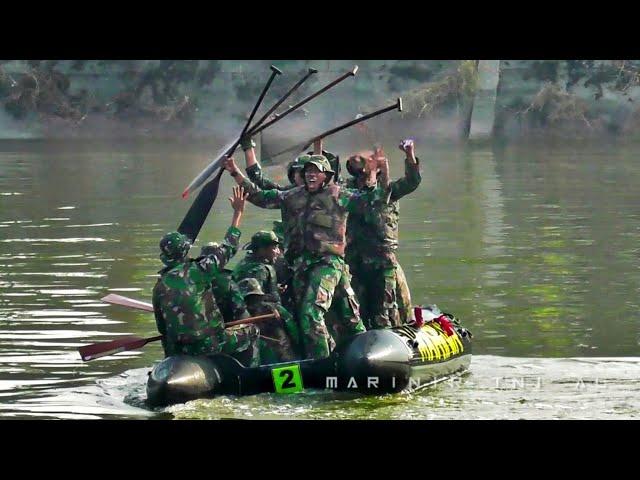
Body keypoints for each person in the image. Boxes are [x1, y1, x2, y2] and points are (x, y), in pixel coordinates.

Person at [224, 152, 386, 360]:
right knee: (347, 316)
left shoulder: (339, 195)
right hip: (301, 267)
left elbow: (372, 201)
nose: (310, 175)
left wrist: (374, 173)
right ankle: (347, 354)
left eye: (315, 172)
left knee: (311, 314)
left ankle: (323, 365)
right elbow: (259, 197)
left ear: (326, 175)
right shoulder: (292, 196)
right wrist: (234, 172)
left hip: (328, 264)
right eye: (307, 171)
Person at [152, 186, 260, 367]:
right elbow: (229, 246)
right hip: (212, 343)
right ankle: (247, 373)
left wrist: (170, 358)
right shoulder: (200, 269)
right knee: (253, 330)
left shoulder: (159, 286)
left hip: (181, 351)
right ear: (185, 251)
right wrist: (238, 213)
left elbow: (163, 329)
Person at [344, 140, 421, 328]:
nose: (365, 161)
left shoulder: (389, 191)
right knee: (356, 308)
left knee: (385, 309)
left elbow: (412, 181)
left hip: (381, 257)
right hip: (354, 258)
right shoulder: (348, 190)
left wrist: (409, 154)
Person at [237, 277, 301, 363]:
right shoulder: (275, 308)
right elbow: (293, 329)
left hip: (268, 359)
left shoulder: (240, 316)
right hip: (279, 356)